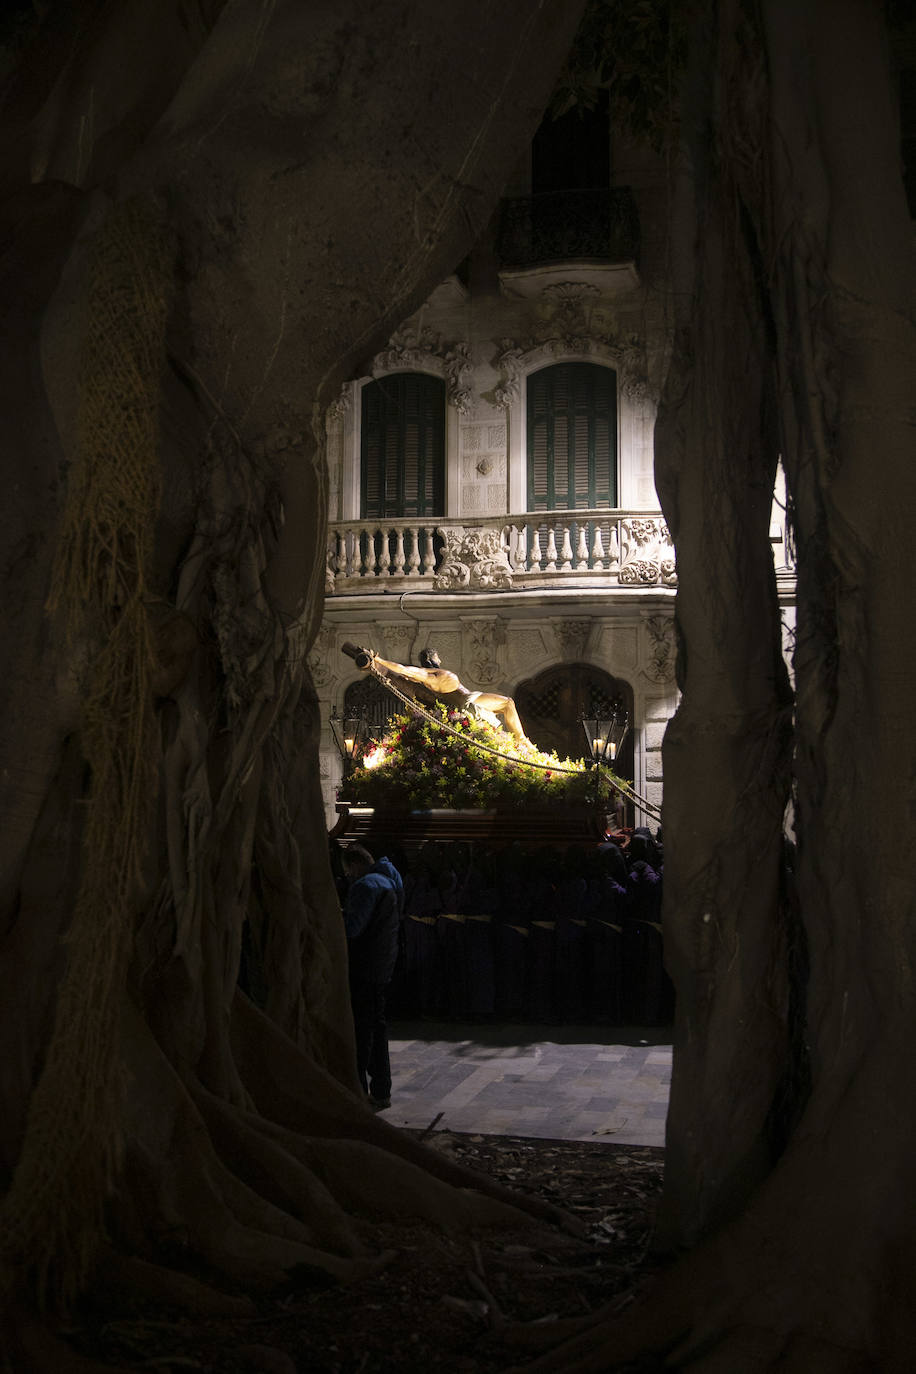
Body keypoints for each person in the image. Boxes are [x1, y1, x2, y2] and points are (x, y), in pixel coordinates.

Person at [341, 642, 531, 743]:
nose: (440, 659)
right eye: (438, 657)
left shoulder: (429, 677)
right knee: (508, 703)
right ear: (432, 658)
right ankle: (521, 740)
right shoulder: (430, 675)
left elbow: (402, 675)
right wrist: (379, 661)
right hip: (468, 702)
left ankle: (519, 740)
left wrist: (378, 663)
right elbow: (403, 670)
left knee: (505, 707)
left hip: (468, 700)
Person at [340, 843, 404, 1110]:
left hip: (364, 967)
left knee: (362, 1031)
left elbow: (353, 929)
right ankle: (381, 1089)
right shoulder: (390, 881)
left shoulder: (366, 886)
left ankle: (358, 1091)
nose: (346, 876)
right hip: (382, 965)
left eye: (346, 871)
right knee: (377, 1028)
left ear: (354, 865)